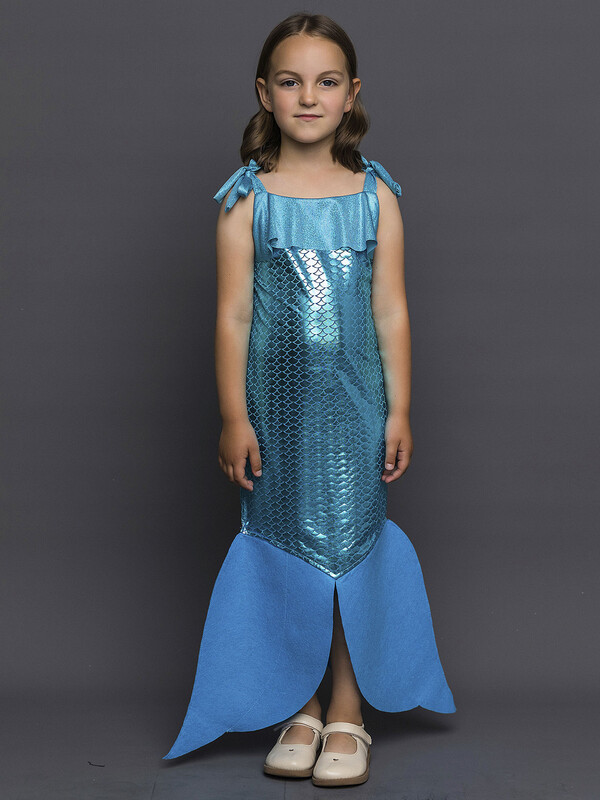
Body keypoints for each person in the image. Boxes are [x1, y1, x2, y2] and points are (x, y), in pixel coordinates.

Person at [162, 12, 456, 787]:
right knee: (284, 547)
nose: (308, 97)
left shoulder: (375, 195)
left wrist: (399, 410)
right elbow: (233, 315)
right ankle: (300, 703)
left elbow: (391, 311)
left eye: (326, 83)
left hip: (356, 410)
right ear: (265, 93)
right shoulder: (246, 199)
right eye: (290, 82)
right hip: (276, 413)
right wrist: (234, 417)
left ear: (351, 93)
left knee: (352, 546)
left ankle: (349, 708)